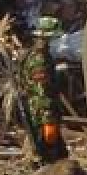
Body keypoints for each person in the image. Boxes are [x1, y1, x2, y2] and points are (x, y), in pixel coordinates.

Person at [18, 16, 70, 164]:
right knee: (50, 151)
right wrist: (49, 117)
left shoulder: (32, 54)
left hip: (36, 110)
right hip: (41, 112)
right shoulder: (40, 59)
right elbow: (42, 92)